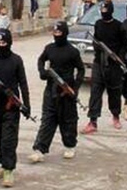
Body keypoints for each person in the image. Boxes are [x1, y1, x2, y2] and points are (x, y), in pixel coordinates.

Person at [30, 21, 85, 162]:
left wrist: (75, 87)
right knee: (48, 119)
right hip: (51, 89)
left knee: (68, 120)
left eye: (59, 33)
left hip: (67, 91)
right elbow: (41, 60)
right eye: (55, 33)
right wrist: (43, 72)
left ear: (65, 33)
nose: (57, 35)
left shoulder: (73, 51)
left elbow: (81, 69)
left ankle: (70, 146)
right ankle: (39, 149)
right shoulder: (49, 48)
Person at [0, 29, 30, 187]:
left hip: (11, 106)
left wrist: (26, 104)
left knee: (8, 140)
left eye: (3, 42)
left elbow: (23, 83)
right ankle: (3, 164)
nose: (1, 45)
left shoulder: (16, 60)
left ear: (9, 43)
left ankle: (9, 170)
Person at [81, 1, 127, 134]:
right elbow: (95, 40)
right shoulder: (98, 24)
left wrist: (118, 57)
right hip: (99, 62)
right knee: (95, 92)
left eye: (106, 11)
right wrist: (99, 48)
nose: (103, 13)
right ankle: (93, 121)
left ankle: (116, 116)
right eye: (102, 11)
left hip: (114, 65)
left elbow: (125, 45)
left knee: (114, 92)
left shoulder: (119, 26)